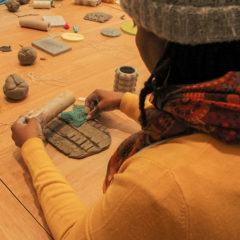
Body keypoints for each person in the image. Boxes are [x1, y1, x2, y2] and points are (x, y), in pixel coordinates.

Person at [11, 1, 240, 239]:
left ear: (166, 40)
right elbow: (195, 119)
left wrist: (32, 147)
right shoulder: (226, 109)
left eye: (138, 25)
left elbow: (76, 235)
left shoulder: (160, 183)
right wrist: (125, 101)